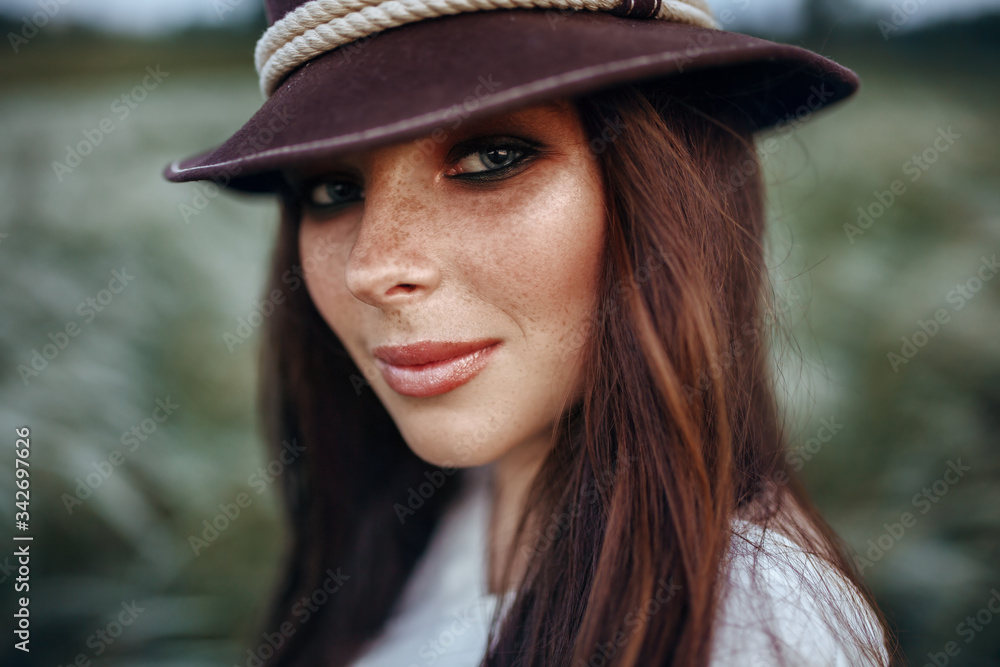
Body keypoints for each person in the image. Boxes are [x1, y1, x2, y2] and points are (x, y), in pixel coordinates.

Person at [163, 1, 897, 665]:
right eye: (334, 189)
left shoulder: (752, 630)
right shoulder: (418, 519)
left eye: (492, 157)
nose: (372, 268)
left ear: (670, 194)